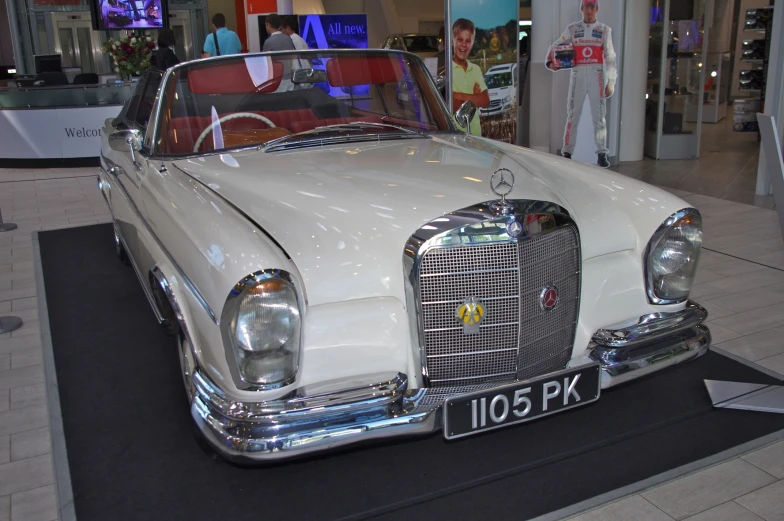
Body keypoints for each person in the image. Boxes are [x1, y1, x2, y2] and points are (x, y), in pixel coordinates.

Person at [546, 0, 617, 168]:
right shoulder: (573, 29)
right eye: (587, 7)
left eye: (592, 7)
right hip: (577, 73)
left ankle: (601, 153)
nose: (589, 11)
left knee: (599, 116)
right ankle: (567, 151)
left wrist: (611, 82)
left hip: (596, 75)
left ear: (597, 9)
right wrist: (550, 63)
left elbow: (610, 57)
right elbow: (556, 45)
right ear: (582, 8)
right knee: (573, 114)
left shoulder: (604, 30)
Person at [451, 18, 490, 136]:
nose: (464, 44)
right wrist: (475, 98)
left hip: (475, 133)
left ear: (473, 43)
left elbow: (485, 100)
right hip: (454, 134)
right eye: (460, 39)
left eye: (468, 41)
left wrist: (458, 95)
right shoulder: (447, 70)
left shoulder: (476, 69)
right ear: (453, 41)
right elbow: (450, 104)